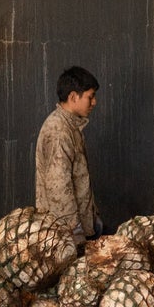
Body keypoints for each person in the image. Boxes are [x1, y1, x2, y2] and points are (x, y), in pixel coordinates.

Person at [35, 66, 102, 245]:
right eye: (90, 97)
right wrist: (74, 233)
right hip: (65, 236)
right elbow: (58, 187)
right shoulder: (58, 131)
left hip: (81, 227)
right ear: (73, 97)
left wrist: (92, 217)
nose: (94, 102)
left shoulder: (70, 126)